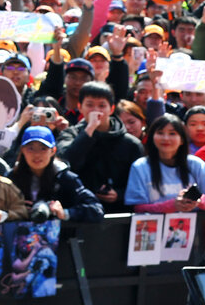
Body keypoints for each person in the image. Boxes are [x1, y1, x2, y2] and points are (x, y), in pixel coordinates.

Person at [60, 81, 143, 214]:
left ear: (111, 109)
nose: (96, 111)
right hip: (79, 212)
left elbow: (139, 184)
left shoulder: (131, 144)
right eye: (90, 105)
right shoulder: (69, 135)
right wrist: (89, 130)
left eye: (102, 105)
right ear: (80, 107)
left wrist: (119, 194)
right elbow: (69, 162)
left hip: (118, 214)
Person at [125, 114, 205, 214]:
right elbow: (138, 208)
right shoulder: (140, 167)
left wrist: (197, 200)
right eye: (160, 133)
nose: (166, 138)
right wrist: (172, 206)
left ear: (182, 140)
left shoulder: (197, 165)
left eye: (172, 133)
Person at [10, 126, 103, 221]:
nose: (37, 154)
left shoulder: (65, 178)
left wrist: (65, 213)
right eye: (31, 148)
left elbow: (96, 209)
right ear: (22, 150)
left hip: (59, 234)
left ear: (53, 151)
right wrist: (15, 211)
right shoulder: (11, 178)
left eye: (43, 148)